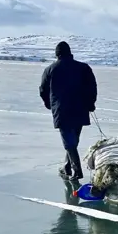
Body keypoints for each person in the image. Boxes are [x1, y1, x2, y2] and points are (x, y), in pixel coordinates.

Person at [39, 41, 98, 181]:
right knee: (73, 140)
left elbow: (43, 90)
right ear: (70, 52)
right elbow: (92, 87)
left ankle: (77, 171)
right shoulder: (84, 68)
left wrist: (49, 104)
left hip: (61, 110)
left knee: (69, 142)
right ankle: (67, 166)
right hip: (80, 108)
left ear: (57, 54)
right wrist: (90, 103)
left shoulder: (50, 69)